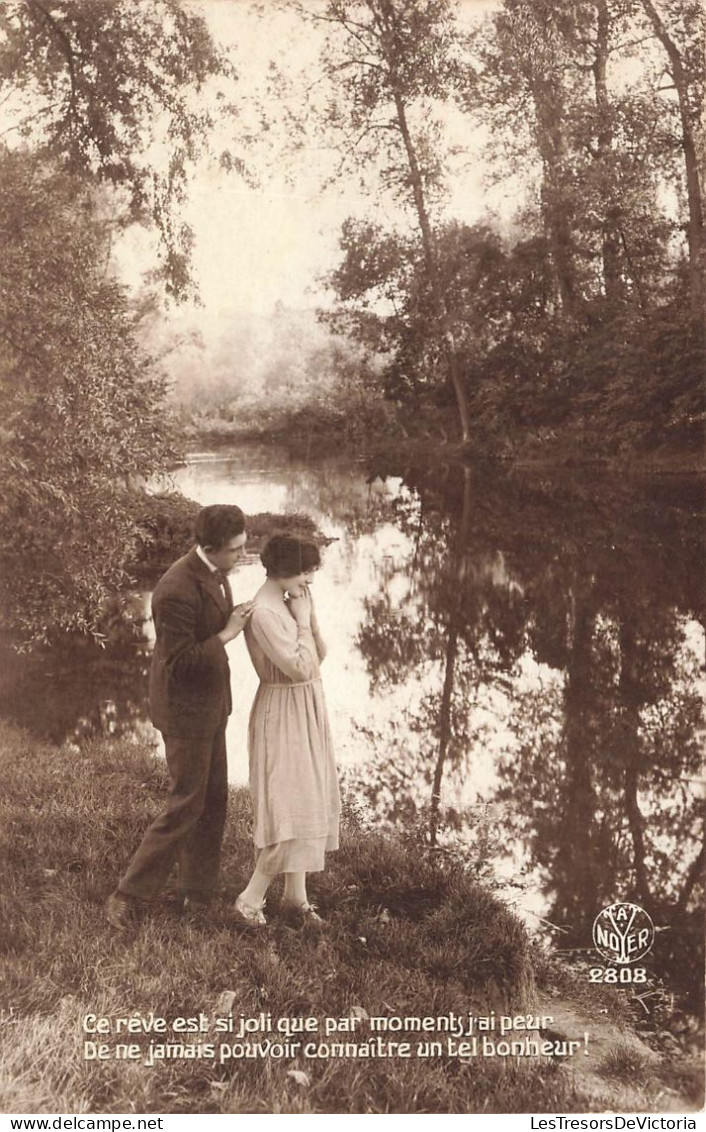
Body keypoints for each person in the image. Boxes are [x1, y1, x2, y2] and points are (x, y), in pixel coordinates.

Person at [105, 504, 254, 930]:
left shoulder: (213, 572)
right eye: (235, 550)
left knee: (213, 800)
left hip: (210, 705)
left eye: (244, 548)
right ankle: (128, 894)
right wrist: (228, 633)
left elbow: (206, 628)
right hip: (185, 709)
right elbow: (180, 661)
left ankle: (196, 891)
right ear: (209, 548)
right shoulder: (174, 589)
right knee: (187, 802)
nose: (241, 557)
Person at [235, 532, 340, 926]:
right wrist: (300, 620)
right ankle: (250, 898)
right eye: (306, 574)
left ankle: (295, 898)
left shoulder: (287, 604)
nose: (309, 583)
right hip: (283, 708)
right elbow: (300, 666)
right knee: (290, 803)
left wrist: (307, 616)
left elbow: (320, 655)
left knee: (308, 798)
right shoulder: (265, 612)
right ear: (286, 571)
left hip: (305, 704)